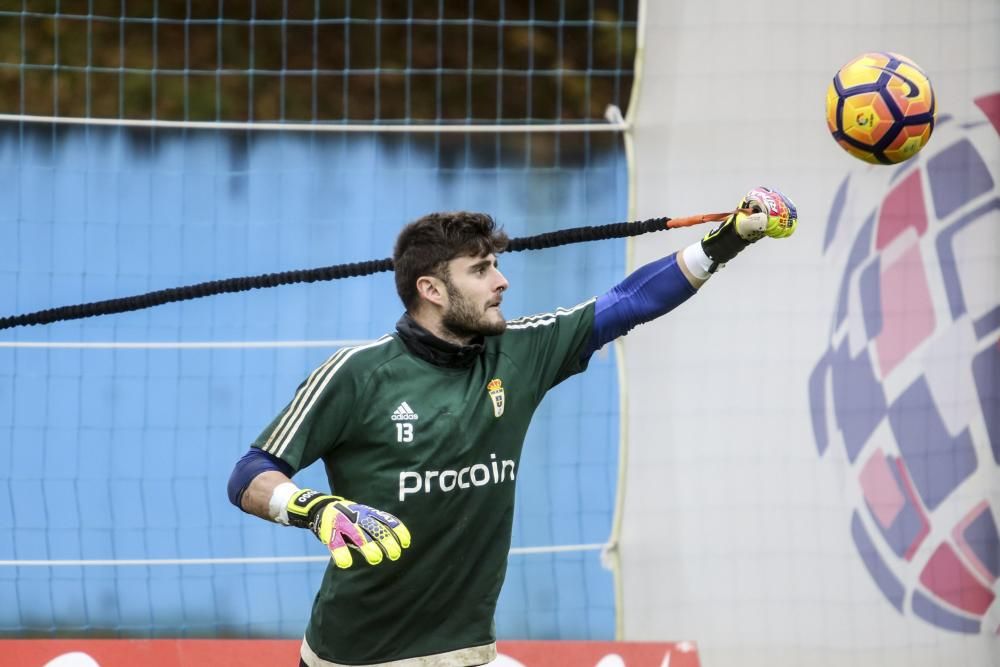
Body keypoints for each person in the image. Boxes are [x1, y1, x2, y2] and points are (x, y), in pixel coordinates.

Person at [227, 188, 797, 666]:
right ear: (430, 289)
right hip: (359, 657)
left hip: (467, 651)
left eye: (497, 265)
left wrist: (730, 239)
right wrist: (316, 510)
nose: (501, 281)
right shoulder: (358, 374)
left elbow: (631, 300)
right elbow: (251, 473)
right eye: (480, 270)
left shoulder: (521, 351)